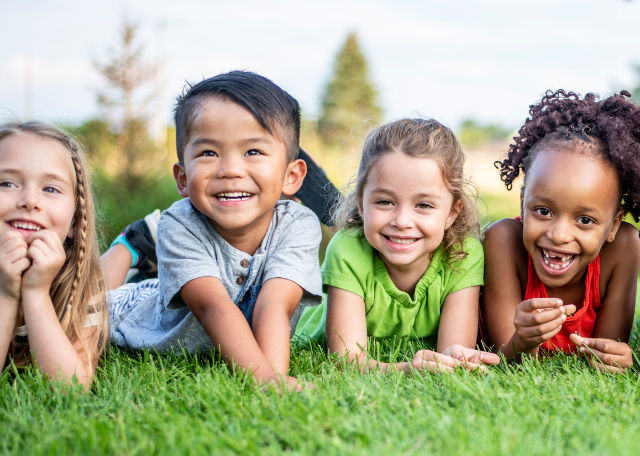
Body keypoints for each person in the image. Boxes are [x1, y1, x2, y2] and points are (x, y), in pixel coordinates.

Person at [102, 71, 323, 390]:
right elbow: (212, 307)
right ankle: (129, 244)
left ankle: (141, 251)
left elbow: (275, 303)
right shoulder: (180, 223)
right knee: (85, 304)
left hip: (178, 279)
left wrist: (274, 374)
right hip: (133, 311)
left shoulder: (298, 224)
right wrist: (263, 379)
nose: (230, 169)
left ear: (291, 175)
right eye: (209, 153)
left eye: (253, 151)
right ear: (182, 178)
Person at [295, 118, 501, 373]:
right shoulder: (346, 249)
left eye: (423, 205)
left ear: (452, 213)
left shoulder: (464, 253)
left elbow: (452, 353)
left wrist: (454, 361)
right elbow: (347, 361)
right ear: (360, 203)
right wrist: (404, 369)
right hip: (308, 337)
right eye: (384, 201)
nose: (402, 221)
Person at [482, 90, 640, 373]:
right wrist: (523, 341)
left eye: (585, 220)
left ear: (614, 225)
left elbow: (606, 350)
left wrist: (616, 359)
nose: (559, 235)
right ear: (523, 202)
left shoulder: (624, 247)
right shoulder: (503, 240)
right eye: (543, 211)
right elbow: (502, 358)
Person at [0, 122, 108, 388]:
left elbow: (71, 387)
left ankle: (131, 245)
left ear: (74, 222)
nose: (29, 200)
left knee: (126, 291)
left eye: (50, 189)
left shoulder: (83, 279)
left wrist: (36, 293)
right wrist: (6, 294)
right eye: (6, 183)